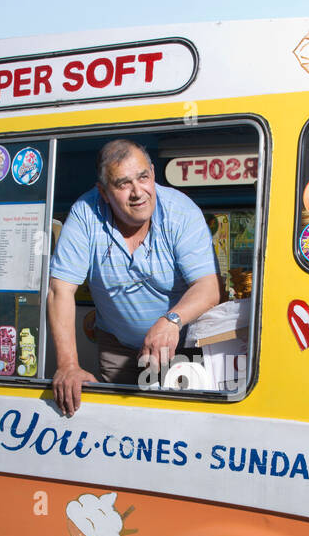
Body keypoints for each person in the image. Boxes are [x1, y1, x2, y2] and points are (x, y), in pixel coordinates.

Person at [49, 140, 221, 417]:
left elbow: (209, 288)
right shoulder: (85, 213)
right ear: (103, 192)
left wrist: (171, 321)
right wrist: (68, 364)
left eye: (143, 177)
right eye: (123, 184)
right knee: (116, 426)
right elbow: (60, 290)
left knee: (176, 426)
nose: (138, 193)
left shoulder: (181, 212)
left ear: (153, 173)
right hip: (117, 347)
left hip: (182, 345)